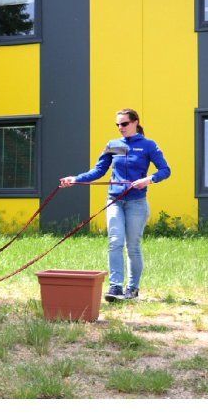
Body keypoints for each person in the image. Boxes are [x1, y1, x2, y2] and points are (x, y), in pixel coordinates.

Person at [60, 108, 171, 302]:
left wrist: (148, 180)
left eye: (124, 123)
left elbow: (165, 170)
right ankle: (116, 286)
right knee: (115, 241)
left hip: (137, 203)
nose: (121, 127)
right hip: (115, 201)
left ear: (135, 122)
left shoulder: (148, 145)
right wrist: (75, 179)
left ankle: (132, 288)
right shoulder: (113, 145)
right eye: (118, 124)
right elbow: (98, 171)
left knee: (133, 246)